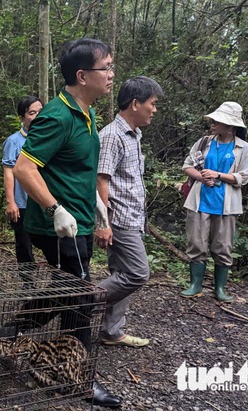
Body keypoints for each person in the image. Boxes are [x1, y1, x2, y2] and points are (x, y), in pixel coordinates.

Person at [12, 37, 121, 408]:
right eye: (105, 67)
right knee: (80, 298)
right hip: (59, 228)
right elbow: (25, 169)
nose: (111, 74)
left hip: (82, 223)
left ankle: (11, 331)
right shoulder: (57, 115)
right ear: (82, 75)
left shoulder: (86, 114)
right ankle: (78, 378)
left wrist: (97, 206)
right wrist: (55, 207)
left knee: (66, 292)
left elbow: (77, 169)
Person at [94, 77, 164, 348]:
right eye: (152, 104)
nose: (154, 109)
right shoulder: (112, 135)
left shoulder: (133, 134)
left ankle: (111, 331)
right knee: (137, 273)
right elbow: (101, 180)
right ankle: (82, 301)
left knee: (121, 273)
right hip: (119, 220)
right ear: (135, 104)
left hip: (133, 218)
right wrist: (104, 223)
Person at [180, 102, 248, 302]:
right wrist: (202, 177)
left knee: (222, 247)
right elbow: (187, 165)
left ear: (230, 125)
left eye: (217, 121)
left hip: (226, 205)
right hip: (199, 201)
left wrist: (218, 175)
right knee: (196, 244)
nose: (212, 123)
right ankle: (195, 285)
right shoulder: (203, 142)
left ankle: (220, 288)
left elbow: (244, 177)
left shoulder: (243, 148)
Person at [2, 96, 42, 270]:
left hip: (44, 201)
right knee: (24, 246)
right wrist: (11, 202)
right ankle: (28, 284)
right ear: (22, 118)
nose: (38, 116)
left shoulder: (47, 138)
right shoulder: (13, 142)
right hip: (22, 203)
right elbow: (8, 172)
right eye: (32, 113)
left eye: (41, 111)